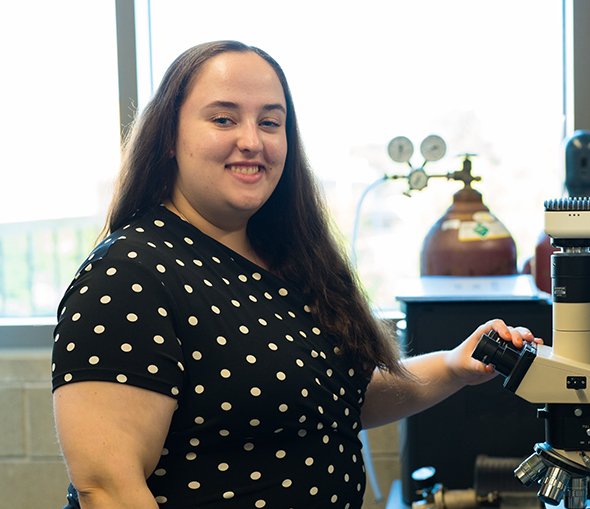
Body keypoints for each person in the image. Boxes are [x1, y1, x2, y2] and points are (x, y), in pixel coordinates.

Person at [51, 40, 540, 509]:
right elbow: (107, 489)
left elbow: (327, 397)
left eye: (270, 122)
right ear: (169, 140)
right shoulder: (129, 275)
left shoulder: (290, 262)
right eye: (223, 119)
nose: (252, 140)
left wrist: (455, 366)